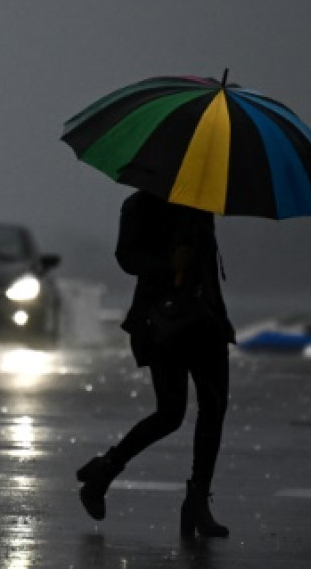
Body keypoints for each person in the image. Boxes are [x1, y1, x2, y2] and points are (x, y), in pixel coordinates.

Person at [76, 189, 236, 539]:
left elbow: (207, 266)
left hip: (205, 320)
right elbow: (128, 257)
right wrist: (169, 263)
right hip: (164, 323)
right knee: (171, 413)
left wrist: (220, 317)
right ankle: (105, 472)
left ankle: (197, 502)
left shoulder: (201, 203)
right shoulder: (141, 204)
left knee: (214, 406)